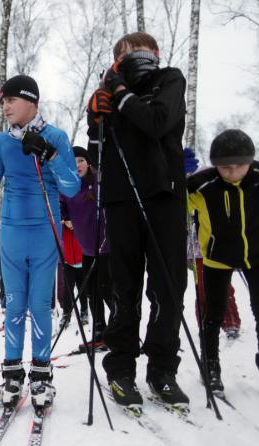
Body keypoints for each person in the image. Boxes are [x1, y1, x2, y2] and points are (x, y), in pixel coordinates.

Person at [0, 74, 80, 410]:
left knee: (40, 305)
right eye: (3, 101)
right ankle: (12, 374)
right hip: (11, 232)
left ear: (32, 102)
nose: (6, 106)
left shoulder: (55, 136)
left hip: (45, 230)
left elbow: (71, 187)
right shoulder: (1, 142)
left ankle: (41, 376)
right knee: (14, 305)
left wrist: (50, 156)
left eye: (12, 99)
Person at [87, 31, 189, 409]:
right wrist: (94, 117)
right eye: (124, 54)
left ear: (156, 54)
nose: (133, 57)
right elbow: (96, 152)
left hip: (164, 194)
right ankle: (120, 369)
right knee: (123, 286)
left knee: (168, 286)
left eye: (141, 51)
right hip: (120, 197)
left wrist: (121, 94)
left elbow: (157, 122)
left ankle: (162, 369)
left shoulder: (170, 79)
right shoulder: (109, 94)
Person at [187, 129, 259, 392]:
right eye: (224, 168)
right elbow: (173, 201)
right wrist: (176, 173)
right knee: (213, 313)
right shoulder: (202, 184)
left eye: (239, 166)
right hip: (217, 257)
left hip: (256, 255)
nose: (232, 172)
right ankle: (210, 364)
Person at [59, 146, 112, 345]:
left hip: (105, 247)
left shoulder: (97, 183)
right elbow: (60, 205)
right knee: (92, 293)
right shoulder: (67, 187)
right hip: (87, 249)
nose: (77, 165)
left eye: (80, 160)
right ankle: (99, 332)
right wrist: (65, 217)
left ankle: (120, 332)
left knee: (108, 290)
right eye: (72, 162)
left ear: (88, 163)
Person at [56, 221, 87, 329]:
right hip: (68, 262)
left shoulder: (81, 226)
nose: (70, 224)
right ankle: (66, 314)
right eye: (68, 222)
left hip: (82, 262)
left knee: (82, 289)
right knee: (68, 290)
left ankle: (84, 311)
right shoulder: (63, 228)